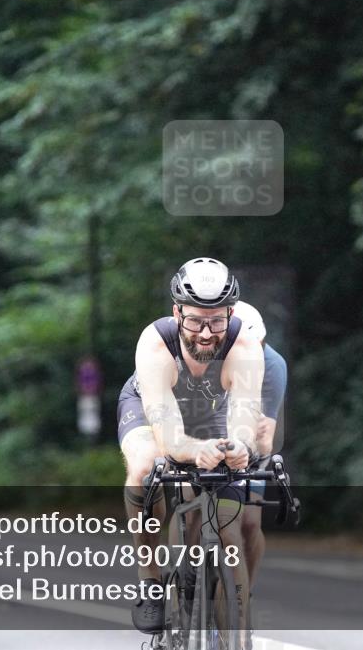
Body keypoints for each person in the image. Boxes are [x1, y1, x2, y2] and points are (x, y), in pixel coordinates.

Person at [117, 257, 263, 637]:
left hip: (210, 411)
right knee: (148, 466)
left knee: (217, 484)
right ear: (176, 311)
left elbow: (245, 415)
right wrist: (193, 450)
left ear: (231, 313)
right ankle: (150, 581)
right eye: (195, 319)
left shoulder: (244, 345)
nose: (205, 332)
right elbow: (168, 436)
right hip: (154, 410)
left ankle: (202, 592)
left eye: (216, 320)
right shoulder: (156, 343)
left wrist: (239, 447)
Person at [230, 301, 288, 591]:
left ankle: (243, 598)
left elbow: (265, 440)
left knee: (249, 521)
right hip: (210, 435)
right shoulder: (209, 358)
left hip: (251, 443)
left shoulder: (273, 365)